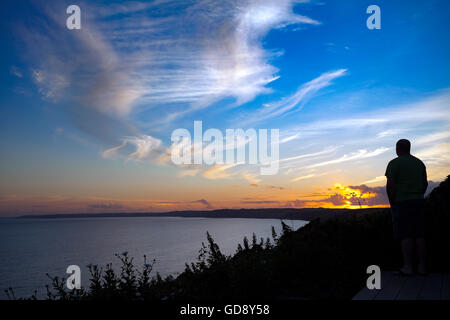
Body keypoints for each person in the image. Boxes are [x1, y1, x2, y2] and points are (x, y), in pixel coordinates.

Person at [385, 139, 428, 276]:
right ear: (409, 148)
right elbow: (425, 184)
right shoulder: (419, 163)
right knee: (420, 234)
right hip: (419, 201)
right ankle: (422, 267)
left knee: (406, 235)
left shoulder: (394, 163)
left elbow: (390, 186)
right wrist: (418, 194)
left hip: (402, 202)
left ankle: (408, 267)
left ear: (397, 148)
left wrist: (392, 204)